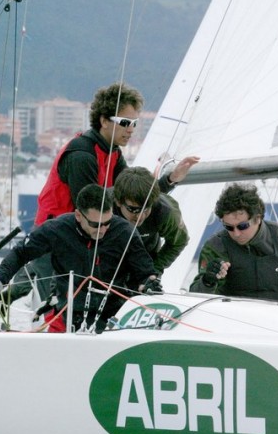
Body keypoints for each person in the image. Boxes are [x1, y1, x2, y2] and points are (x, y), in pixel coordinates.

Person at [24, 82, 197, 307]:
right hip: (57, 240)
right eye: (124, 122)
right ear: (104, 120)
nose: (131, 129)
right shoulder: (82, 155)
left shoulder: (113, 152)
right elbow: (91, 208)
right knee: (58, 315)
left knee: (81, 313)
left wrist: (169, 180)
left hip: (82, 239)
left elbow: (133, 194)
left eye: (134, 123)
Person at [0, 184, 161, 333]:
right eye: (96, 224)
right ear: (79, 216)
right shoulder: (57, 229)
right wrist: (0, 278)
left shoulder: (125, 232)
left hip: (112, 315)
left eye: (107, 222)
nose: (102, 229)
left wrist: (149, 282)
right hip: (68, 312)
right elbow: (21, 253)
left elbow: (145, 271)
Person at [190, 183, 278, 301]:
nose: (236, 233)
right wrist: (207, 281)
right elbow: (196, 296)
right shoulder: (216, 246)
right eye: (229, 227)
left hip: (276, 316)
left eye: (242, 226)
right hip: (230, 317)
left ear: (258, 218)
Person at [112, 167, 190, 272]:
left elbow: (179, 241)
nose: (140, 216)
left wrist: (154, 269)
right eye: (134, 210)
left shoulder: (165, 211)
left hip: (145, 259)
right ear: (118, 202)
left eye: (146, 208)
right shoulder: (103, 206)